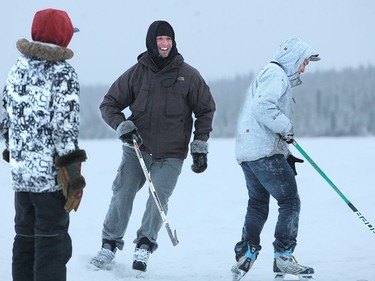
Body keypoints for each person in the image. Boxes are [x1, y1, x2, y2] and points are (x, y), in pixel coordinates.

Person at [90, 20, 216, 272]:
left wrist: (199, 144)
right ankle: (109, 245)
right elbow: (109, 104)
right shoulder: (137, 73)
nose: (165, 44)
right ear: (151, 42)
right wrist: (122, 126)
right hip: (138, 149)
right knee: (122, 194)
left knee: (158, 198)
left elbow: (205, 109)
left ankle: (144, 246)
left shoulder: (188, 75)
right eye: (160, 39)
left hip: (171, 153)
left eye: (168, 39)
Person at [0, 9, 87, 281]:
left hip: (21, 176)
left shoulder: (17, 69)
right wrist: (73, 177)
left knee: (24, 238)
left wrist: (13, 151)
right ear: (63, 36)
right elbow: (64, 127)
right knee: (52, 242)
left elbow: (4, 120)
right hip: (50, 179)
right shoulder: (63, 73)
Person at [231, 37, 320, 281]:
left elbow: (259, 117)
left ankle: (246, 253)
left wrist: (285, 153)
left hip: (250, 153)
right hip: (263, 152)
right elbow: (263, 107)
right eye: (303, 62)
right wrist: (286, 127)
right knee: (290, 201)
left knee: (258, 204)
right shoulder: (276, 74)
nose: (304, 68)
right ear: (293, 59)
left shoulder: (270, 74)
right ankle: (283, 256)